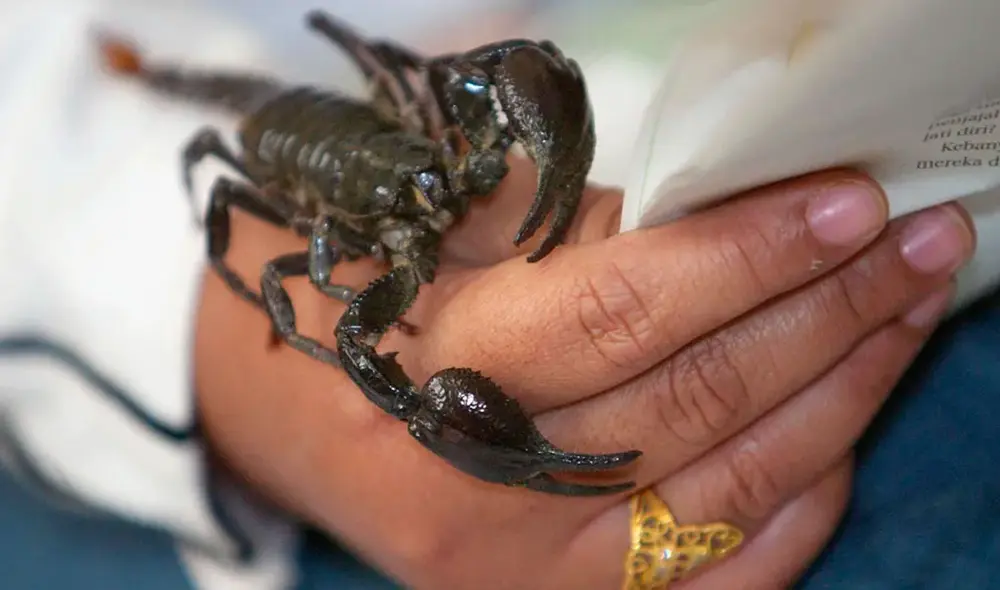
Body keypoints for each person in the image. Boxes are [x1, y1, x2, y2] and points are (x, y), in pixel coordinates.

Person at [0, 2, 989, 589]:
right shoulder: (344, 245)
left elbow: (496, 72)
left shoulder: (435, 137)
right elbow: (295, 295)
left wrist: (545, 173)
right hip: (118, 244)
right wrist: (249, 358)